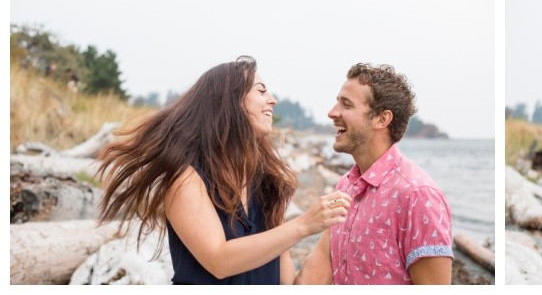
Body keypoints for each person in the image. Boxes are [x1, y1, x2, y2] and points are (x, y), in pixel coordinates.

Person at [95, 56, 350, 284]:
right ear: (230, 101)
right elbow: (219, 261)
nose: (272, 99)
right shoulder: (186, 179)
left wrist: (331, 235)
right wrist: (304, 225)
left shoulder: (265, 185)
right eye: (261, 91)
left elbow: (288, 285)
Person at [295, 63, 453, 284]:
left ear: (381, 119)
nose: (332, 113)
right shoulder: (345, 186)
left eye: (346, 105)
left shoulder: (418, 195)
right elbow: (318, 268)